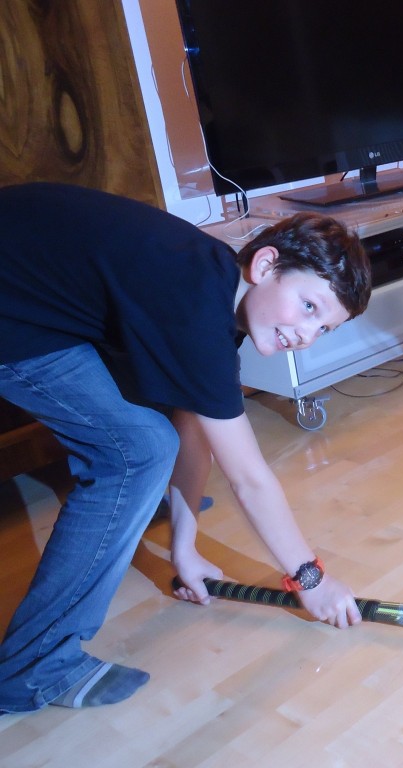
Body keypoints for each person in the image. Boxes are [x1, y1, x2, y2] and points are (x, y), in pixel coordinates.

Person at [0, 182, 372, 714]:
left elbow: (193, 424)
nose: (305, 334)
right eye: (308, 305)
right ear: (265, 265)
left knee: (151, 442)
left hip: (29, 294)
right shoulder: (193, 304)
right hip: (12, 309)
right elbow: (248, 477)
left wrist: (185, 548)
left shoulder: (215, 289)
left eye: (323, 327)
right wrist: (309, 578)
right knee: (136, 453)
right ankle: (30, 671)